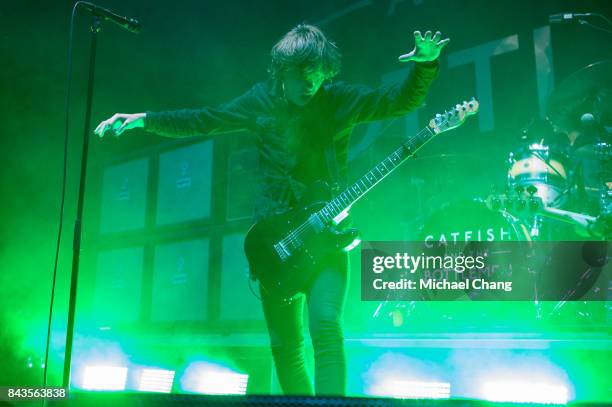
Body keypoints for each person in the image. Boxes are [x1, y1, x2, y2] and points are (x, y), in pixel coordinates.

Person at [95, 24, 448, 396]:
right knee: (286, 348)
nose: (308, 84)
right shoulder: (260, 101)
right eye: (300, 75)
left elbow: (398, 101)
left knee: (326, 329)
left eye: (316, 75)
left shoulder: (339, 100)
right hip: (274, 240)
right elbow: (205, 119)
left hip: (328, 235)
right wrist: (144, 119)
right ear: (283, 72)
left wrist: (425, 66)